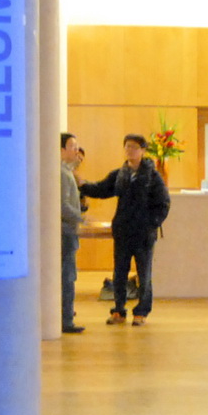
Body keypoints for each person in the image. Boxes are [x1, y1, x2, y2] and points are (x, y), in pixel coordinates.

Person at [82, 133, 172, 326]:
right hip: (123, 231)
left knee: (144, 274)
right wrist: (82, 185)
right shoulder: (120, 174)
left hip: (144, 234)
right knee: (119, 273)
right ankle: (118, 310)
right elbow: (101, 189)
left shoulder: (153, 176)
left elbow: (163, 204)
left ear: (143, 150)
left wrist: (151, 223)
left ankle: (141, 312)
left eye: (134, 147)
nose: (130, 150)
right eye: (127, 147)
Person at [57, 134, 85, 335]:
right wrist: (81, 218)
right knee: (67, 277)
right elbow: (63, 206)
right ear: (61, 150)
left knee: (68, 275)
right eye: (72, 146)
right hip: (65, 232)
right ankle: (65, 319)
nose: (77, 150)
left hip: (68, 230)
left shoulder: (67, 172)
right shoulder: (61, 173)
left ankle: (66, 316)